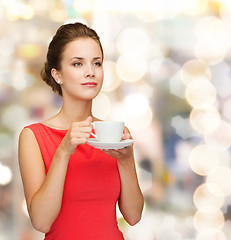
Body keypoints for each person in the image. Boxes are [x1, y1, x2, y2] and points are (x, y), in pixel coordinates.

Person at [18, 22, 144, 240]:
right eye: (77, 64)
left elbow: (133, 216)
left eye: (97, 63)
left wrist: (127, 160)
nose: (90, 72)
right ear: (58, 75)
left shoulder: (115, 135)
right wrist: (63, 151)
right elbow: (41, 221)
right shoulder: (34, 136)